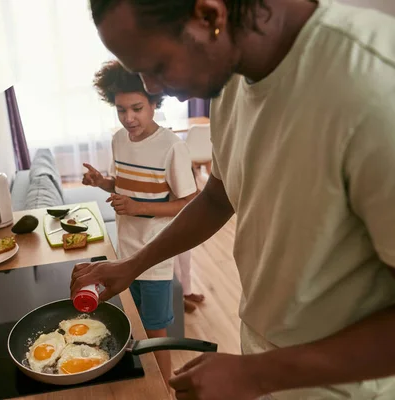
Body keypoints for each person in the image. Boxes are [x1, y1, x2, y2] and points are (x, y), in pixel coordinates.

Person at [71, 0, 395, 399]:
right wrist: (133, 265)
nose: (152, 88)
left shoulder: (377, 86)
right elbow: (217, 197)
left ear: (209, 16)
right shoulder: (231, 78)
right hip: (267, 356)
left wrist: (258, 374)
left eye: (156, 65)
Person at [83, 60, 198, 385]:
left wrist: (138, 207)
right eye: (121, 110)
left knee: (155, 327)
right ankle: (144, 380)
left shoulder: (172, 147)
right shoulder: (119, 139)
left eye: (136, 108)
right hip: (125, 253)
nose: (129, 118)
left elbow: (190, 202)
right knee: (132, 320)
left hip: (155, 257)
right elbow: (122, 184)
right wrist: (101, 182)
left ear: (154, 104)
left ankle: (167, 387)